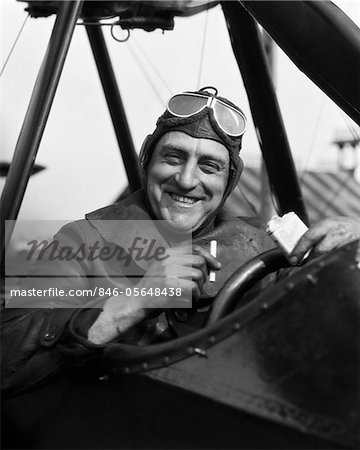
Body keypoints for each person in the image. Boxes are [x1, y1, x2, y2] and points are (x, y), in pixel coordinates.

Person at [2, 86, 360, 397]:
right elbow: (7, 358)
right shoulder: (77, 242)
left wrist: (352, 254)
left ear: (229, 181)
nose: (187, 179)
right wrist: (134, 303)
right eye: (173, 157)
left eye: (209, 166)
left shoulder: (263, 248)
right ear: (147, 163)